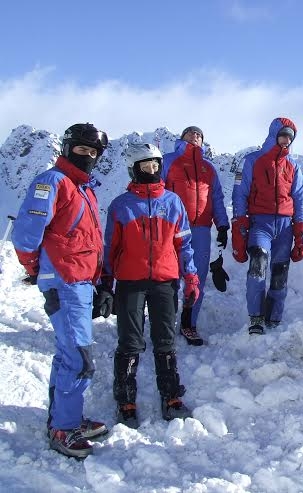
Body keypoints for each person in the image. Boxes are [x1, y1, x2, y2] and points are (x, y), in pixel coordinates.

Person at [12, 123, 109, 459]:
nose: (87, 156)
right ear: (68, 149)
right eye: (81, 150)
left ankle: (64, 418)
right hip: (65, 282)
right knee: (79, 358)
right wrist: (38, 269)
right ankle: (62, 430)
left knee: (69, 354)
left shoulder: (82, 187)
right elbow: (26, 233)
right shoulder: (53, 181)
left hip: (80, 282)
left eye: (93, 152)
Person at [102, 143, 200, 427]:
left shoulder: (172, 202)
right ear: (134, 169)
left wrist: (191, 276)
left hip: (165, 280)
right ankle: (126, 401)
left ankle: (171, 398)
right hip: (131, 281)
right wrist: (106, 283)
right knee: (131, 342)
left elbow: (184, 244)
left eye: (156, 165)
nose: (152, 170)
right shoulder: (121, 206)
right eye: (146, 166)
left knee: (165, 341)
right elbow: (111, 247)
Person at [231, 117, 303, 335]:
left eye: (290, 138)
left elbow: (299, 199)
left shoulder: (293, 166)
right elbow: (240, 193)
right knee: (258, 263)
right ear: (274, 134)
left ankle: (274, 316)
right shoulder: (251, 161)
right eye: (283, 135)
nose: (286, 140)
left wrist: (301, 229)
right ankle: (256, 316)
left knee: (279, 273)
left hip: (285, 227)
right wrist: (239, 223)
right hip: (261, 224)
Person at [161, 126, 229, 345]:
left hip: (200, 229)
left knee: (196, 278)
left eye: (199, 134)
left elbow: (217, 198)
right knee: (169, 277)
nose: (195, 136)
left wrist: (222, 225)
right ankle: (164, 324)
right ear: (182, 138)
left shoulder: (208, 168)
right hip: (171, 228)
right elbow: (156, 190)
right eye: (190, 133)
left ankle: (189, 324)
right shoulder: (168, 161)